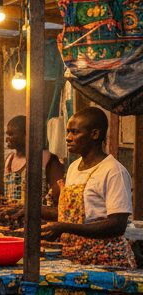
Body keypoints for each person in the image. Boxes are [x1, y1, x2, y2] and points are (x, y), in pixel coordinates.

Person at [42, 108, 135, 267]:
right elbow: (69, 214)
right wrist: (30, 209)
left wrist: (64, 227)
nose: (68, 138)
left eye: (74, 132)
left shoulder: (113, 171)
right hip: (75, 259)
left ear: (95, 134)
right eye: (68, 132)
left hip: (107, 262)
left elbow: (117, 225)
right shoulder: (73, 167)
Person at [5, 115, 63, 206]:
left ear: (26, 135)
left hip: (39, 218)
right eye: (7, 134)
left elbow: (59, 192)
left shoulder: (45, 158)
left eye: (11, 134)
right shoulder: (9, 160)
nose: (6, 139)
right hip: (12, 217)